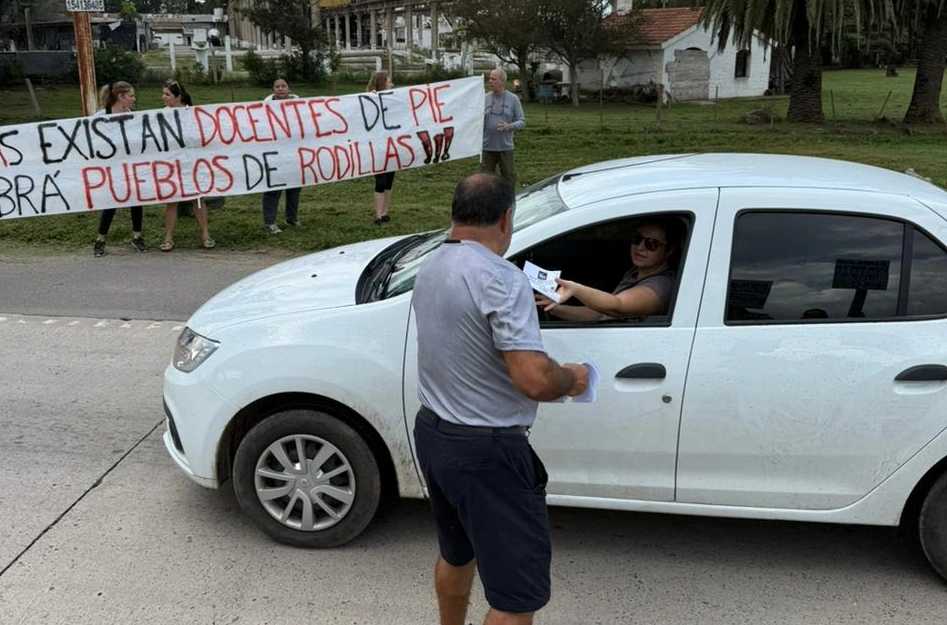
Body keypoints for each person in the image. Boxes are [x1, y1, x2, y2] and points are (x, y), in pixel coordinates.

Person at [412, 173, 590, 625]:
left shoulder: (431, 264)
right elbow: (532, 379)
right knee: (516, 599)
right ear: (507, 218)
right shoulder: (501, 279)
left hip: (435, 435)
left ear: (455, 214)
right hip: (488, 453)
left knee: (457, 554)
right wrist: (571, 379)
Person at [536, 217, 683, 321]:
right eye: (637, 239)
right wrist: (553, 309)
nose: (640, 247)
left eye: (652, 244)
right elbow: (598, 314)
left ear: (669, 251)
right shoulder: (637, 272)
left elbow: (616, 305)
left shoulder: (660, 287)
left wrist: (576, 289)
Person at [158, 79, 214, 251]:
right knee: (172, 201)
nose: (163, 97)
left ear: (178, 96)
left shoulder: (192, 113)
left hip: (191, 162)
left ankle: (205, 234)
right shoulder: (161, 114)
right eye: (163, 94)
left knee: (197, 199)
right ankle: (168, 238)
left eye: (167, 94)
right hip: (172, 164)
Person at [92, 81, 146, 257]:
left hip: (131, 165)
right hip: (111, 168)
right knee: (112, 202)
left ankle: (137, 236)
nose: (134, 99)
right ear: (120, 97)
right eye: (130, 96)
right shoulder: (100, 117)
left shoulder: (132, 116)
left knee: (136, 200)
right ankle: (100, 239)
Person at [261, 78, 301, 233]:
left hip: (294, 152)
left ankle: (292, 218)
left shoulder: (300, 103)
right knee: (273, 188)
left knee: (294, 187)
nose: (280, 89)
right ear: (273, 89)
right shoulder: (265, 106)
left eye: (283, 86)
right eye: (277, 86)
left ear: (288, 88)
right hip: (274, 153)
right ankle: (269, 222)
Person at [481, 68, 525, 188]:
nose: (490, 81)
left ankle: (509, 201)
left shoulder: (513, 99)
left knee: (508, 178)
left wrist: (509, 126)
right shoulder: (484, 98)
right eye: (489, 79)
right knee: (485, 179)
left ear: (502, 81)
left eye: (493, 79)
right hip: (487, 147)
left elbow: (522, 121)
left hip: (505, 147)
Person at [367, 71, 395, 225]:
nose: (392, 84)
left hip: (391, 145)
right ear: (382, 83)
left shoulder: (393, 99)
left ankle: (385, 212)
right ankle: (378, 215)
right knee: (381, 181)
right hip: (378, 147)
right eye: (389, 81)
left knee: (389, 180)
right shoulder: (370, 99)